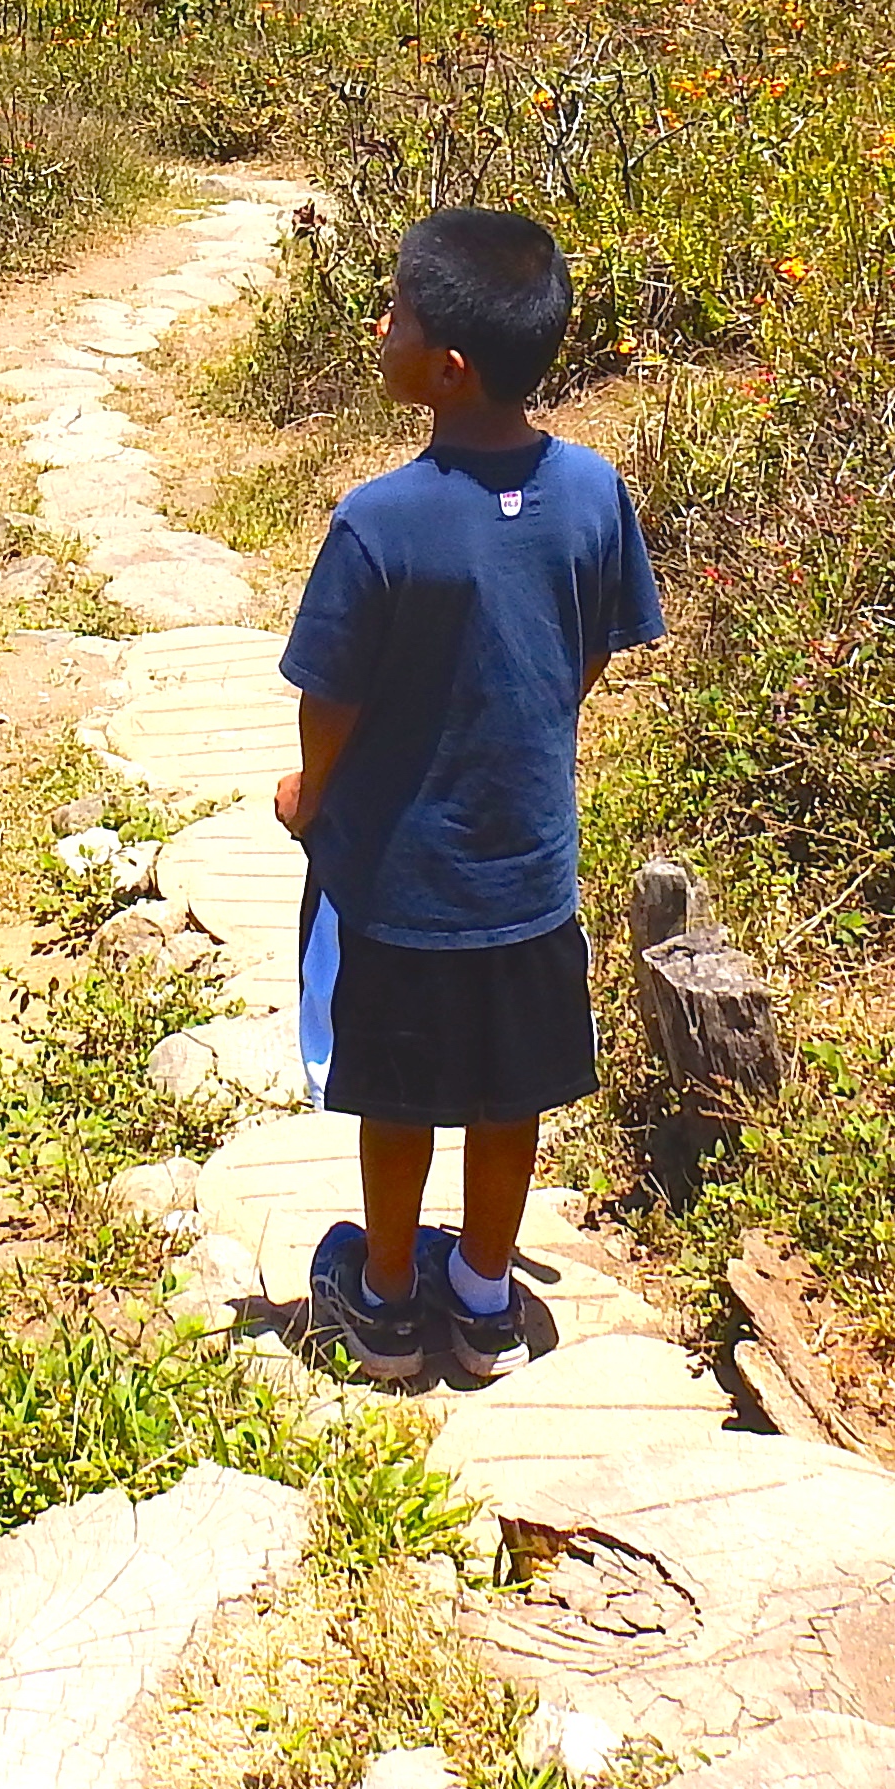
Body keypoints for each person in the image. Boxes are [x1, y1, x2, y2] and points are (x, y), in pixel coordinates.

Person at [275, 206, 661, 1386]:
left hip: (396, 877)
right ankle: (487, 1299)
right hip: (528, 873)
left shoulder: (380, 521)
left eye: (397, 308)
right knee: (509, 1088)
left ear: (444, 366)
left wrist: (310, 794)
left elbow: (328, 699)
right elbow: (595, 645)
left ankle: (387, 1300)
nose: (379, 320)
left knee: (395, 1094)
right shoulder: (592, 491)